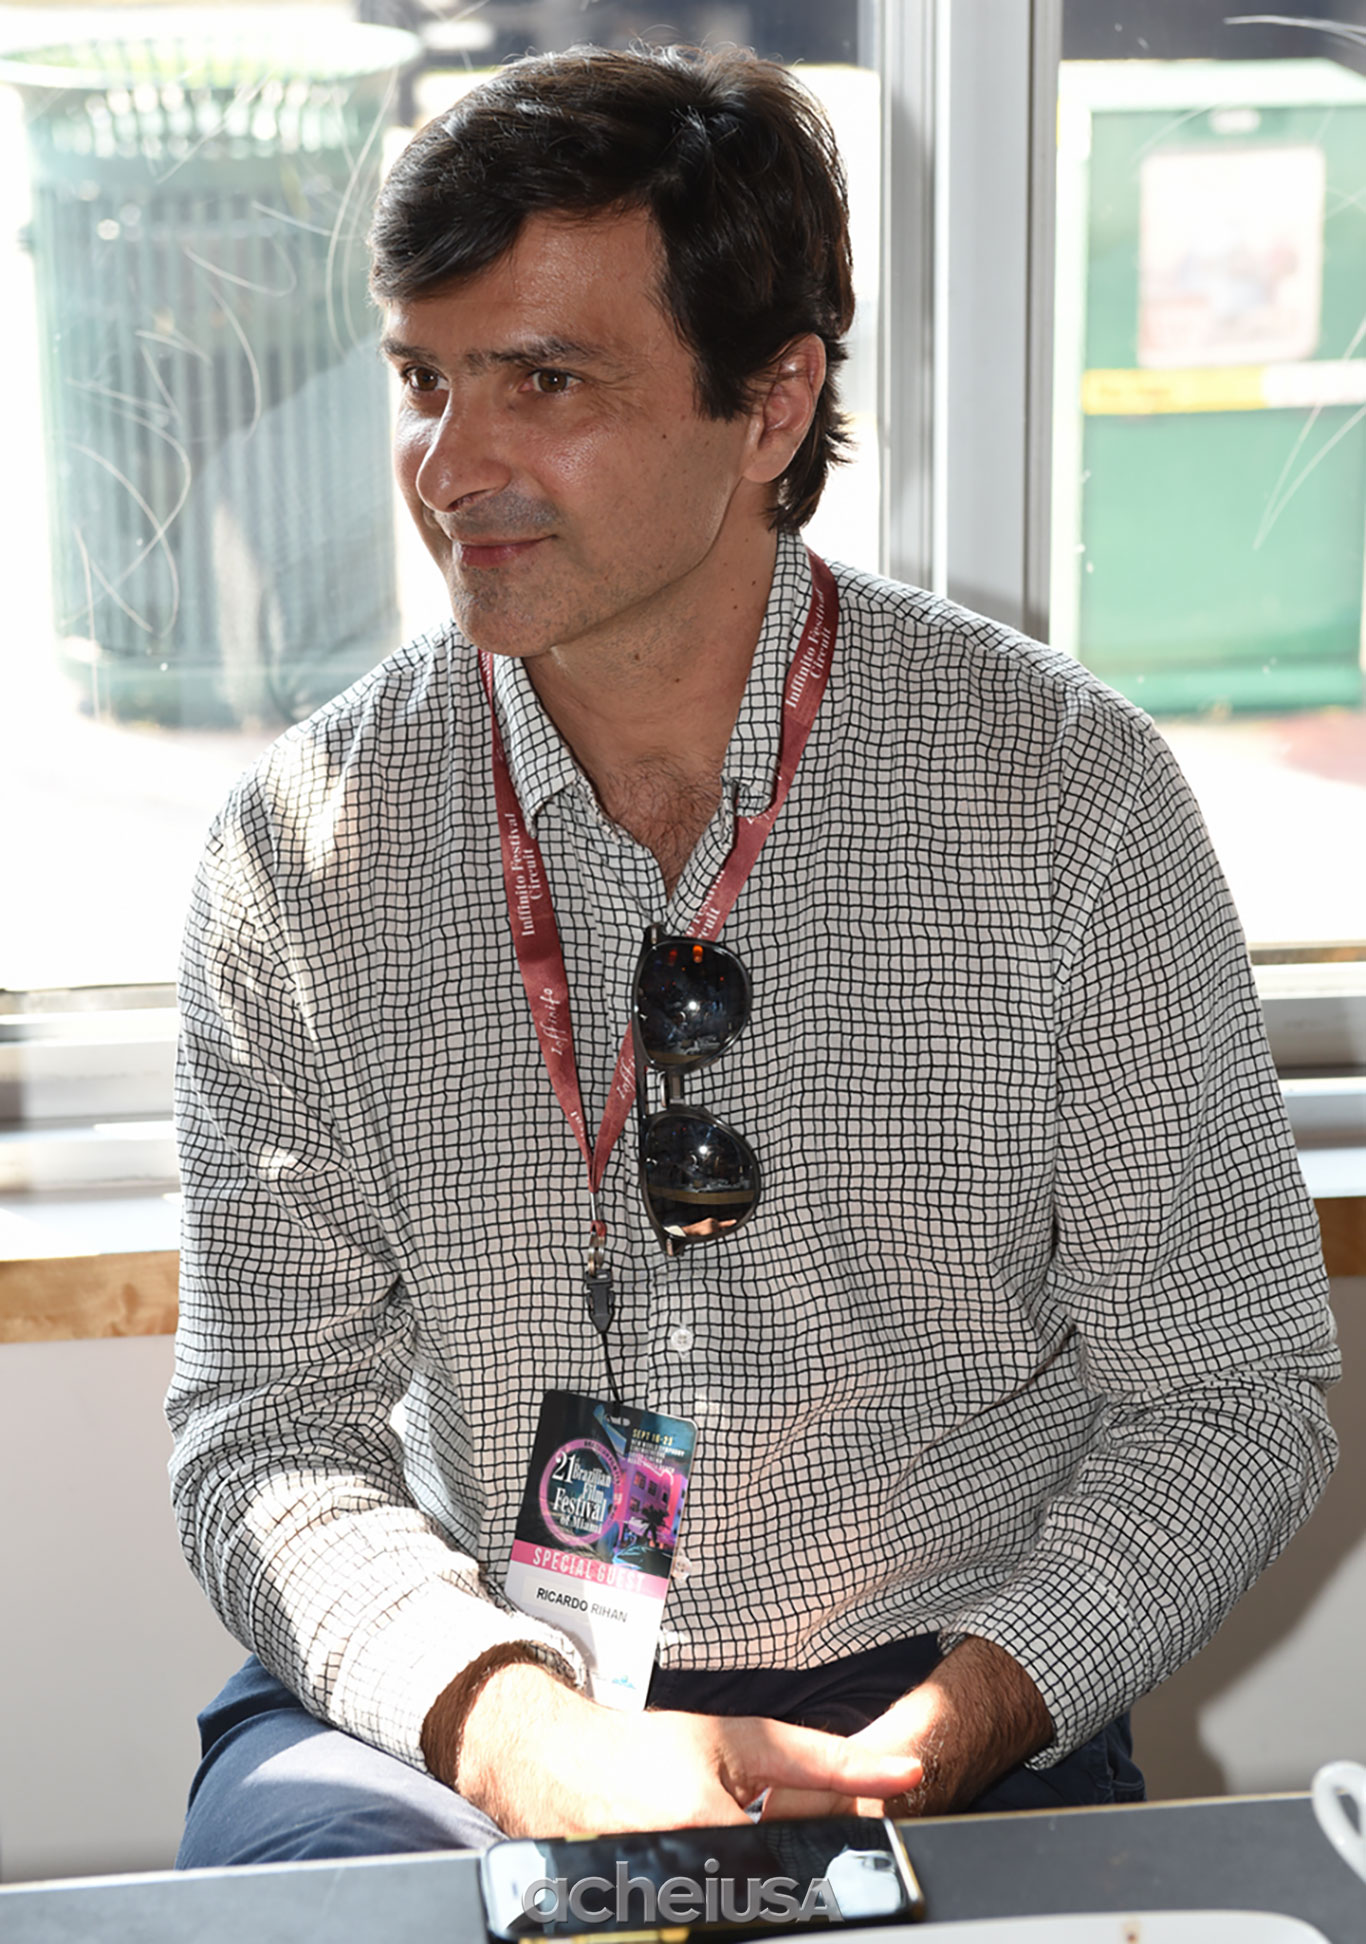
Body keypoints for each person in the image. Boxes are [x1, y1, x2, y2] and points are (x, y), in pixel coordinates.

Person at [168, 43, 1339, 1869]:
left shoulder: (1061, 796)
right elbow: (264, 1427)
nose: (448, 466)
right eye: (421, 378)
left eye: (543, 379)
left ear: (772, 402)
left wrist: (977, 1710)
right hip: (464, 1676)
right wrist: (507, 1725)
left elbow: (1227, 1389)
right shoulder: (304, 846)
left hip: (927, 1683)